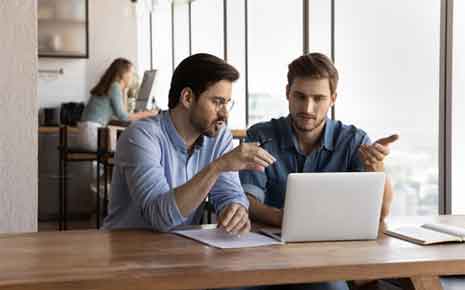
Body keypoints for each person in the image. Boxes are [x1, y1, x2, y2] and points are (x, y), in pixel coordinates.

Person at [239, 53, 399, 290]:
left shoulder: (354, 141)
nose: (308, 107)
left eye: (318, 98)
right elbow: (247, 201)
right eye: (300, 96)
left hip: (330, 257)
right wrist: (287, 219)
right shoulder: (261, 136)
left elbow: (381, 212)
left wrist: (377, 168)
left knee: (329, 287)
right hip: (265, 255)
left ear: (333, 99)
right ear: (287, 93)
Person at [103, 53, 276, 234]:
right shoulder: (140, 136)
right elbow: (158, 218)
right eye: (217, 102)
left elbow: (229, 194)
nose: (225, 114)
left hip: (182, 247)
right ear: (187, 98)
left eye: (227, 103)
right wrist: (218, 166)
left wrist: (235, 210)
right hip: (127, 252)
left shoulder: (219, 135)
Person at [77, 58, 157, 151]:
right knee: (131, 148)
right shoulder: (114, 86)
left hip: (85, 133)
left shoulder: (110, 85)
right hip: (93, 135)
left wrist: (125, 90)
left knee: (126, 145)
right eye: (131, 73)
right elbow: (123, 116)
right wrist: (150, 114)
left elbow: (122, 113)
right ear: (123, 74)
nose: (132, 76)